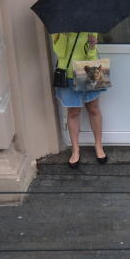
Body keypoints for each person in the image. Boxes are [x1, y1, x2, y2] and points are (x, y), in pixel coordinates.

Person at [51, 32, 108, 168]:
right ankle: (75, 149)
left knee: (93, 109)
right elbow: (60, 52)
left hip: (89, 70)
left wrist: (92, 45)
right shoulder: (59, 27)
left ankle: (98, 145)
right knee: (73, 112)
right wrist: (65, 34)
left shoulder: (89, 23)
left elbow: (91, 54)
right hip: (68, 74)